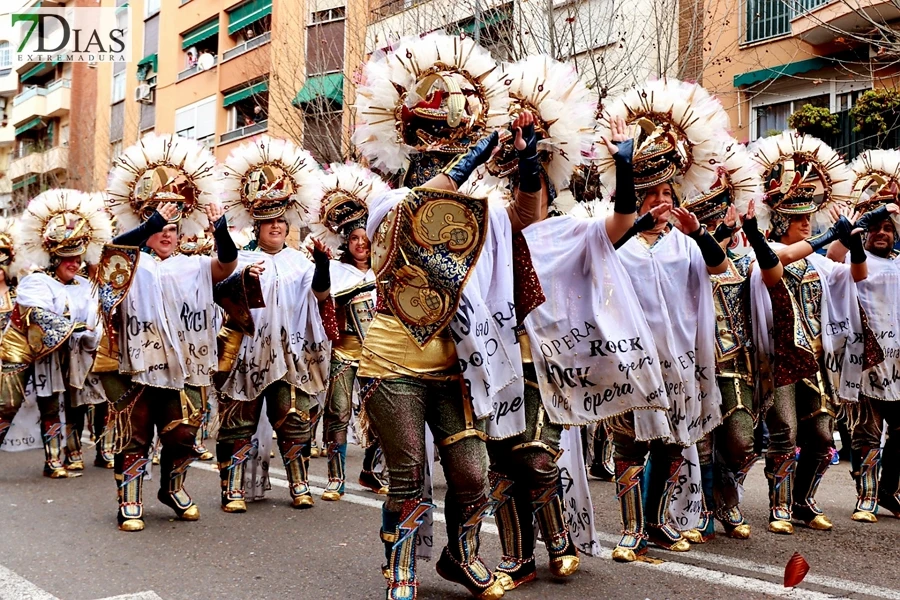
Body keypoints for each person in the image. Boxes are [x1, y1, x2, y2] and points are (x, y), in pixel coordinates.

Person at [354, 32, 532, 600]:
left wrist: (527, 166)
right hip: (393, 361)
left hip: (461, 364)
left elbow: (526, 222)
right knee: (409, 476)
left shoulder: (485, 211)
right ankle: (401, 568)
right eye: (431, 135)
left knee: (472, 473)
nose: (440, 146)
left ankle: (460, 556)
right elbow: (426, 206)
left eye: (450, 136)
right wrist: (478, 151)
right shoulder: (385, 200)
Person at [478, 55, 597, 590]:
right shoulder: (483, 221)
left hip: (548, 361)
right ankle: (518, 556)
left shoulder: (571, 227)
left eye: (537, 178)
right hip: (492, 356)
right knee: (502, 461)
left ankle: (561, 540)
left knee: (536, 457)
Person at [599, 79, 729, 562]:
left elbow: (721, 271)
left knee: (672, 444)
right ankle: (630, 530)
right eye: (649, 194)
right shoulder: (618, 238)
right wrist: (632, 212)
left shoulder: (686, 241)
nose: (659, 202)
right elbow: (596, 263)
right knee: (631, 444)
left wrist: (700, 234)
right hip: (629, 359)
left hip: (679, 359)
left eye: (666, 193)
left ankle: (656, 522)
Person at [101, 133, 239, 531]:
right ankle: (129, 500)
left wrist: (221, 228)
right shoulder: (129, 264)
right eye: (160, 228)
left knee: (182, 435)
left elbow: (227, 263)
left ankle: (171, 487)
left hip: (185, 368)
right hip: (137, 364)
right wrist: (153, 219)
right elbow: (113, 253)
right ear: (146, 229)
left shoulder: (194, 266)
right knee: (135, 434)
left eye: (173, 229)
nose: (166, 235)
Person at [749, 131, 883, 534]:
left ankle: (804, 500)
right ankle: (779, 507)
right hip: (777, 360)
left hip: (813, 360)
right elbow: (778, 261)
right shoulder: (765, 257)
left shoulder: (820, 264)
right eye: (799, 219)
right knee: (785, 432)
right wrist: (825, 239)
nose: (807, 224)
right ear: (781, 222)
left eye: (810, 218)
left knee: (823, 436)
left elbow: (856, 276)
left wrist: (855, 241)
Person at [216, 135, 331, 513]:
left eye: (281, 220)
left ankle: (299, 485)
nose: (276, 227)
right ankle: (233, 488)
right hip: (245, 356)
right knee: (238, 422)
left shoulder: (300, 262)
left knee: (294, 420)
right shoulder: (242, 260)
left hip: (288, 355)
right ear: (257, 225)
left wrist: (324, 264)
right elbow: (222, 297)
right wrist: (241, 280)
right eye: (268, 221)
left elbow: (318, 296)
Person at [678, 141, 782, 542]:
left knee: (741, 442)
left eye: (722, 207)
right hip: (693, 362)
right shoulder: (681, 254)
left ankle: (727, 497)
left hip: (737, 362)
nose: (719, 214)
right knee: (699, 446)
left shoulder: (747, 258)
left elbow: (773, 276)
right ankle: (700, 507)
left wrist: (755, 237)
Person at [0, 190, 111, 478]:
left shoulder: (84, 285)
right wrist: (75, 328)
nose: (74, 264)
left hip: (65, 350)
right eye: (67, 259)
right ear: (53, 258)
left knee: (68, 401)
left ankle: (55, 461)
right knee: (7, 405)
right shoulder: (35, 282)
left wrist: (92, 333)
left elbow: (94, 316)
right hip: (22, 349)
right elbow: (38, 317)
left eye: (77, 258)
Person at [826, 149, 900, 522]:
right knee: (866, 432)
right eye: (877, 229)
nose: (883, 234)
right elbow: (833, 258)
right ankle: (866, 497)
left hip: (899, 360)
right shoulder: (852, 261)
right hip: (864, 356)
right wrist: (854, 227)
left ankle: (889, 490)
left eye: (889, 229)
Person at [311, 162, 390, 500]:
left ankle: (371, 471)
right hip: (345, 350)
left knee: (382, 415)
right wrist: (322, 266)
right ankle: (335, 477)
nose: (361, 243)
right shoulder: (337, 271)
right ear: (347, 241)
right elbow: (322, 295)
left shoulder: (385, 270)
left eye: (365, 238)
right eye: (355, 238)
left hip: (380, 353)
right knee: (339, 411)